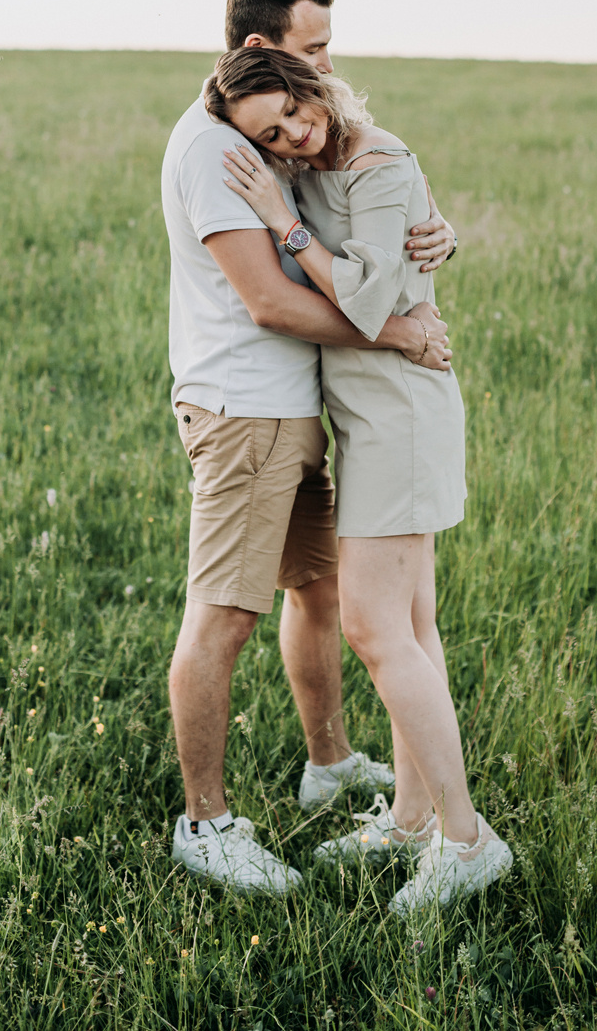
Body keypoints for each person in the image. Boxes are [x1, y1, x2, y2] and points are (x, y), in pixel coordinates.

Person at [163, 0, 458, 896]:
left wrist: (428, 223)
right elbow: (270, 305)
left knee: (321, 595)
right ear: (261, 50)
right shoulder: (223, 151)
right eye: (314, 46)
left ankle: (331, 763)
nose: (327, 65)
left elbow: (365, 199)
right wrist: (399, 328)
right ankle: (206, 824)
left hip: (303, 413)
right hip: (247, 411)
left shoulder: (282, 131)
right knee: (224, 616)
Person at [206, 45, 513, 915]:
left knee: (377, 627)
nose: (296, 137)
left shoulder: (377, 161)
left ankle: (467, 839)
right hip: (367, 415)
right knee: (413, 624)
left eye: (296, 113)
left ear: (313, 88)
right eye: (273, 135)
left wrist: (287, 222)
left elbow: (368, 303)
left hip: (402, 413)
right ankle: (415, 820)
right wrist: (292, 195)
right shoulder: (310, 165)